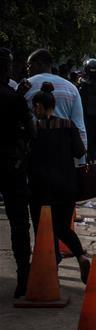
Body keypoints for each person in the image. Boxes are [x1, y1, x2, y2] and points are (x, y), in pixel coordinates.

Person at [28, 82, 92, 284]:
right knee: (63, 227)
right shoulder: (67, 125)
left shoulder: (33, 128)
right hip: (66, 185)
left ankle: (50, 266)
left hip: (40, 187)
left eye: (34, 106)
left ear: (38, 106)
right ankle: (81, 256)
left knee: (43, 229)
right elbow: (80, 152)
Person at [1, 48, 36, 297]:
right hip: (11, 164)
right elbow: (32, 131)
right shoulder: (13, 98)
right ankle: (23, 276)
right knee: (19, 223)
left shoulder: (13, 95)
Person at [24, 49, 87, 151]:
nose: (27, 69)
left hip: (34, 152)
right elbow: (79, 125)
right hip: (64, 152)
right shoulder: (71, 88)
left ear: (39, 64)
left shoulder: (24, 87)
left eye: (29, 65)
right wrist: (82, 156)